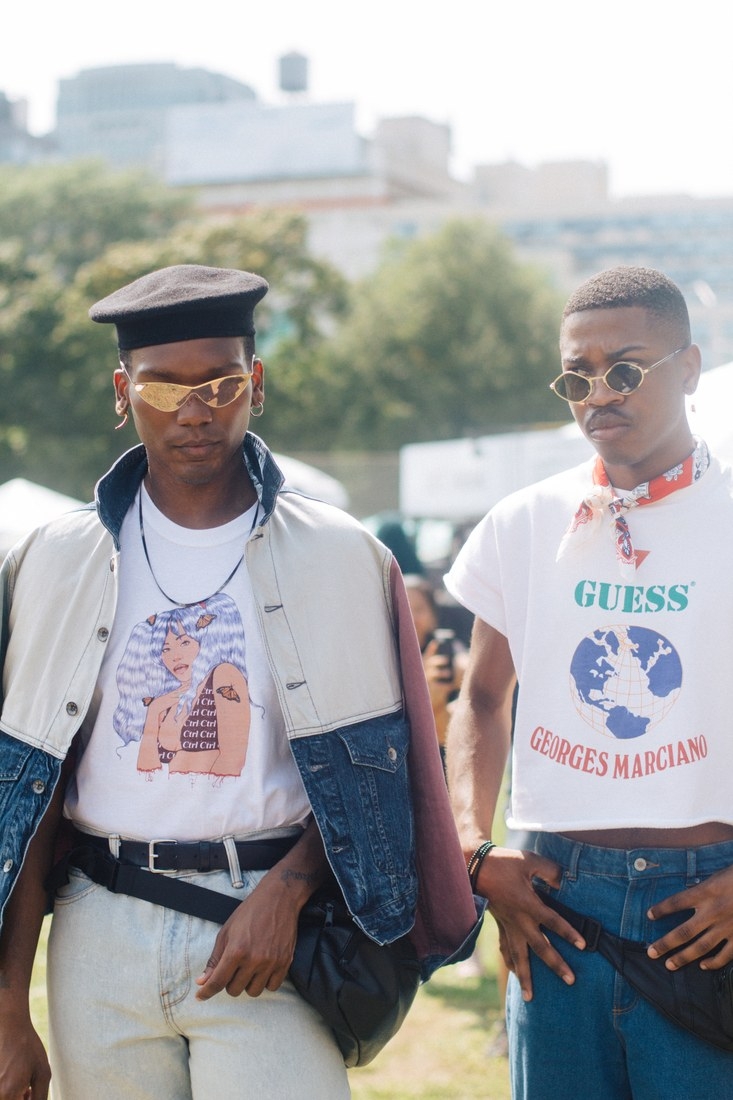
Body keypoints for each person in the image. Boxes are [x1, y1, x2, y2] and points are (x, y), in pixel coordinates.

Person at [0, 264, 480, 1100]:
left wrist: (289, 890)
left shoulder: (340, 555)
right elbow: (28, 792)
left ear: (255, 383)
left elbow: (389, 767)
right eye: (163, 388)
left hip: (266, 927)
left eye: (220, 383)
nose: (195, 411)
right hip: (97, 929)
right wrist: (9, 1003)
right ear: (123, 391)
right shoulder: (54, 559)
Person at [444, 265, 733, 1099]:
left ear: (688, 367)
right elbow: (482, 699)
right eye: (577, 376)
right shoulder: (525, 519)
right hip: (555, 899)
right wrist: (473, 848)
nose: (597, 393)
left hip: (705, 903)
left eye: (625, 369)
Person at [403, 574, 466, 763]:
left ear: (433, 615)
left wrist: (456, 674)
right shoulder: (386, 658)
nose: (412, 618)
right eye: (405, 609)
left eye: (419, 609)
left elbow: (466, 664)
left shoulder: (443, 649)